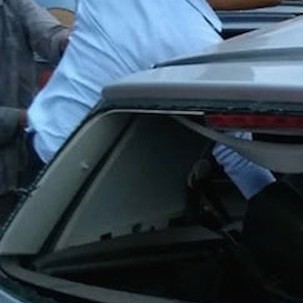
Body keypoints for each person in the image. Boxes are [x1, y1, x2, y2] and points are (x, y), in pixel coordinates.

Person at [27, 0, 280, 198]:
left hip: (61, 152)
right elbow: (236, 156)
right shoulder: (195, 47)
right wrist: (280, 213)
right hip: (68, 179)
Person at [0, 0, 69, 221]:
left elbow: (50, 34)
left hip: (19, 167)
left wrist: (71, 43)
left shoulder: (12, 5)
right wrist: (24, 118)